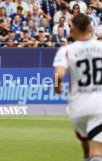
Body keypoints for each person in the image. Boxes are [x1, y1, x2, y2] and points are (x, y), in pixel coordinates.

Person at [53, 13, 102, 161]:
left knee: (87, 152)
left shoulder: (66, 50)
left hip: (77, 108)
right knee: (97, 152)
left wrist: (57, 87)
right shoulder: (100, 47)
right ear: (90, 28)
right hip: (98, 106)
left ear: (72, 30)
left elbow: (58, 75)